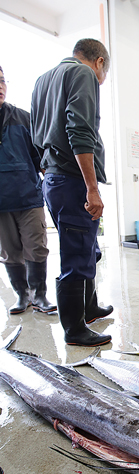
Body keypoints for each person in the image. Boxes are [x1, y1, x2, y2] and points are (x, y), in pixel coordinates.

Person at [30, 38, 113, 347]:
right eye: (104, 74)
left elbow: (35, 133)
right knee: (77, 253)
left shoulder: (43, 80)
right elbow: (80, 132)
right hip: (72, 178)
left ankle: (88, 308)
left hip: (53, 178)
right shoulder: (84, 74)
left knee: (86, 246)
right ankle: (74, 329)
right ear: (100, 62)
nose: (101, 80)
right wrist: (92, 187)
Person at [0, 66, 56, 315]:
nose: (1, 86)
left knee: (36, 246)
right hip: (1, 203)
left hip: (28, 196)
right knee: (9, 251)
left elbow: (40, 158)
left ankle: (40, 295)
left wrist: (49, 185)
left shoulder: (23, 118)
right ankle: (22, 296)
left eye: (2, 80)